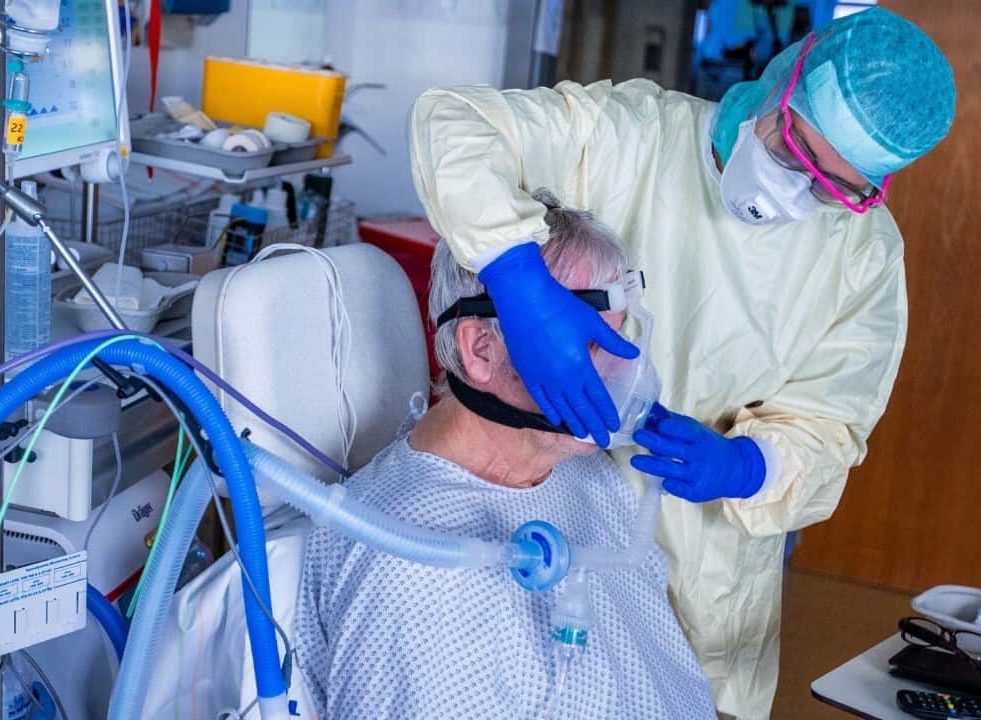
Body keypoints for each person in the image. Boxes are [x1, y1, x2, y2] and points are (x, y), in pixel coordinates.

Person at [407, 8, 955, 718]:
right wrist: (516, 277)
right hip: (545, 530)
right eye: (794, 153)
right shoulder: (629, 139)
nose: (796, 193)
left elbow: (831, 425)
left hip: (710, 587)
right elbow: (452, 123)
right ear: (783, 82)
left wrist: (749, 465)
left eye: (834, 189)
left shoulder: (863, 254)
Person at [293, 200, 716, 719]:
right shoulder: (413, 563)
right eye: (586, 343)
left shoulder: (583, 471)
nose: (622, 372)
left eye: (618, 336)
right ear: (481, 349)